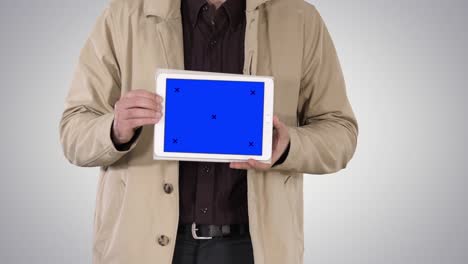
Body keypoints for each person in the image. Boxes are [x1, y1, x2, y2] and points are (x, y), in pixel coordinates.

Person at [59, 0, 358, 263]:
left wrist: (290, 146)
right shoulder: (122, 16)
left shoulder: (299, 19)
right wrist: (116, 129)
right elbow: (74, 132)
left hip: (254, 250)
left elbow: (341, 133)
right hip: (142, 247)